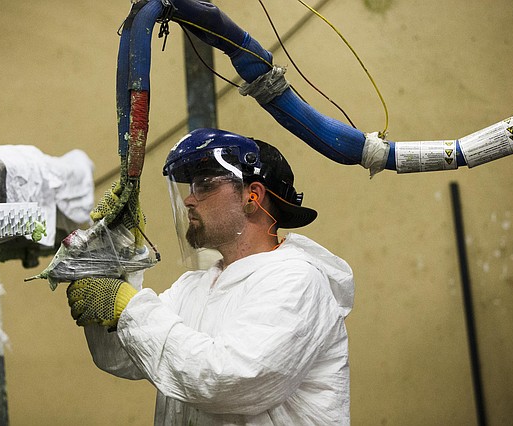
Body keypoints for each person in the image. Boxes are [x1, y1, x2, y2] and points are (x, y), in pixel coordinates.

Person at [66, 128, 355, 425]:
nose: (189, 200)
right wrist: (112, 257)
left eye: (205, 185)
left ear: (252, 196)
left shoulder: (296, 280)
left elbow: (232, 380)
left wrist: (129, 308)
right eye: (190, 187)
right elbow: (119, 357)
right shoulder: (195, 287)